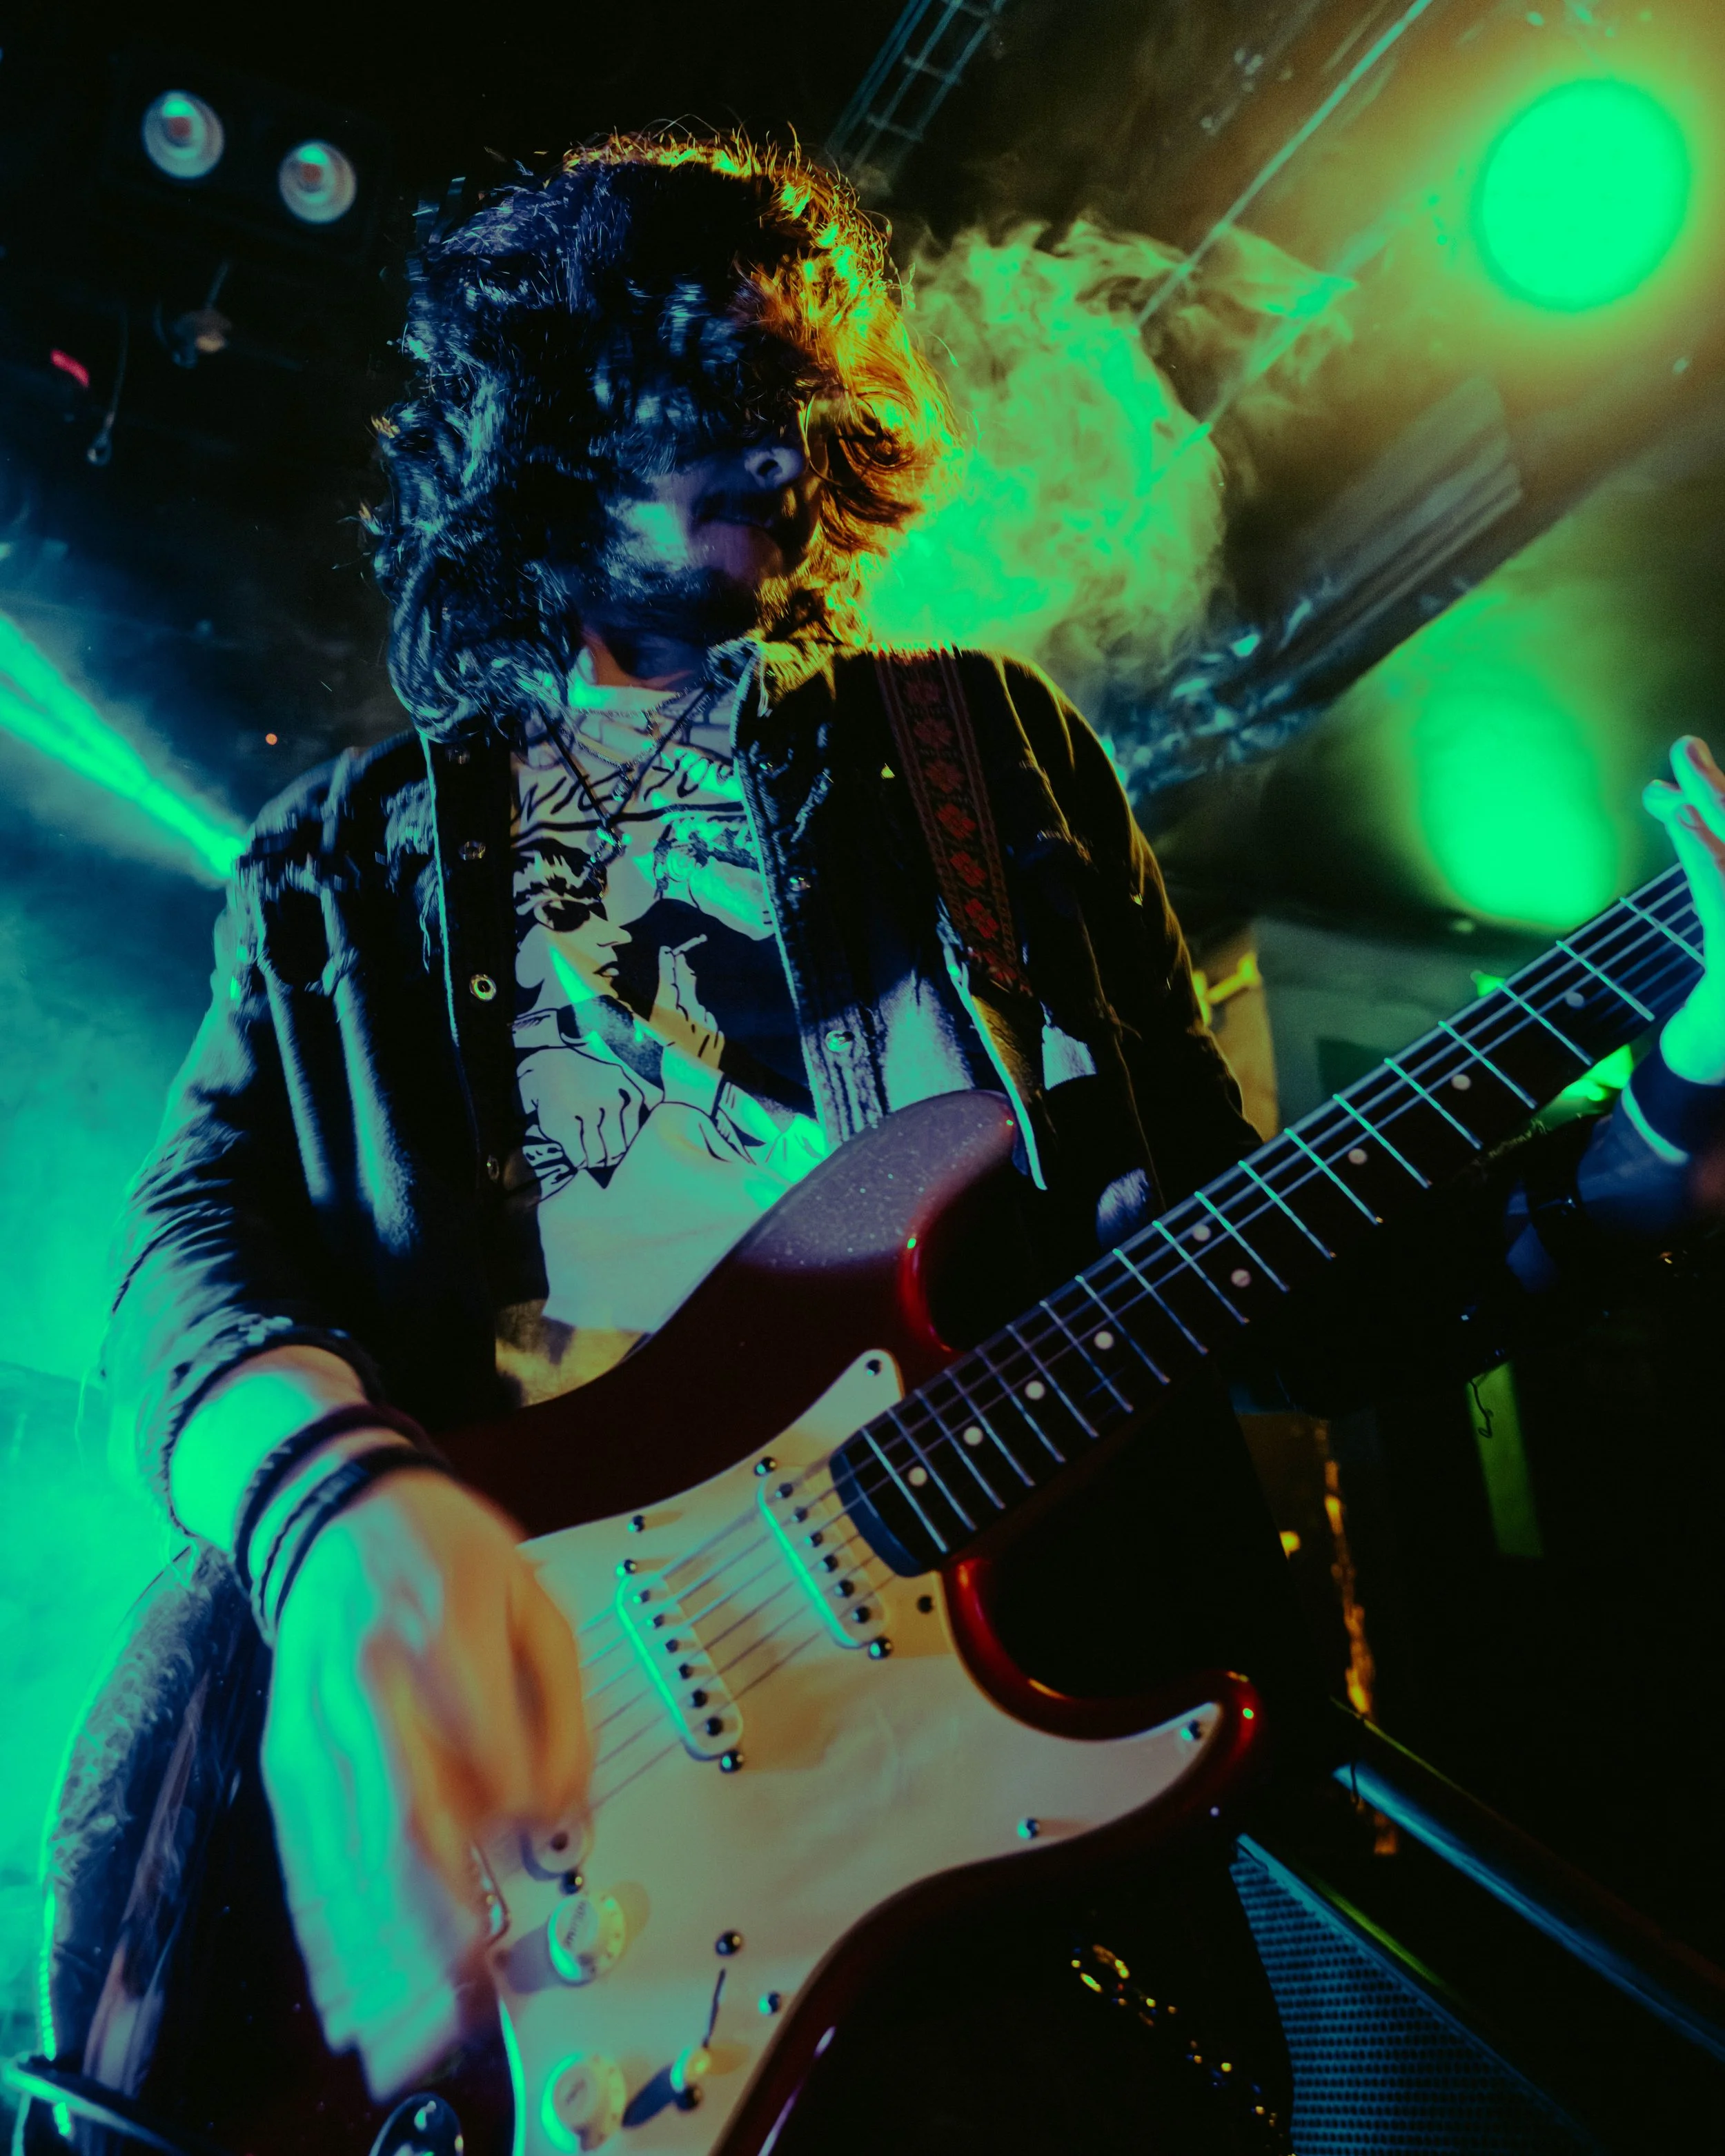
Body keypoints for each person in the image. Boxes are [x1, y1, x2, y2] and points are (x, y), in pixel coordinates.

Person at [45, 133, 1725, 2153]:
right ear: (553, 419)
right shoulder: (341, 860)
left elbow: (1256, 1283)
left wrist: (1674, 1090)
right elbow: (178, 1244)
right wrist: (335, 1510)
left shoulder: (977, 754)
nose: (780, 453)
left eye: (802, 398)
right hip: (543, 1854)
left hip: (986, 1875)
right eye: (714, 393)